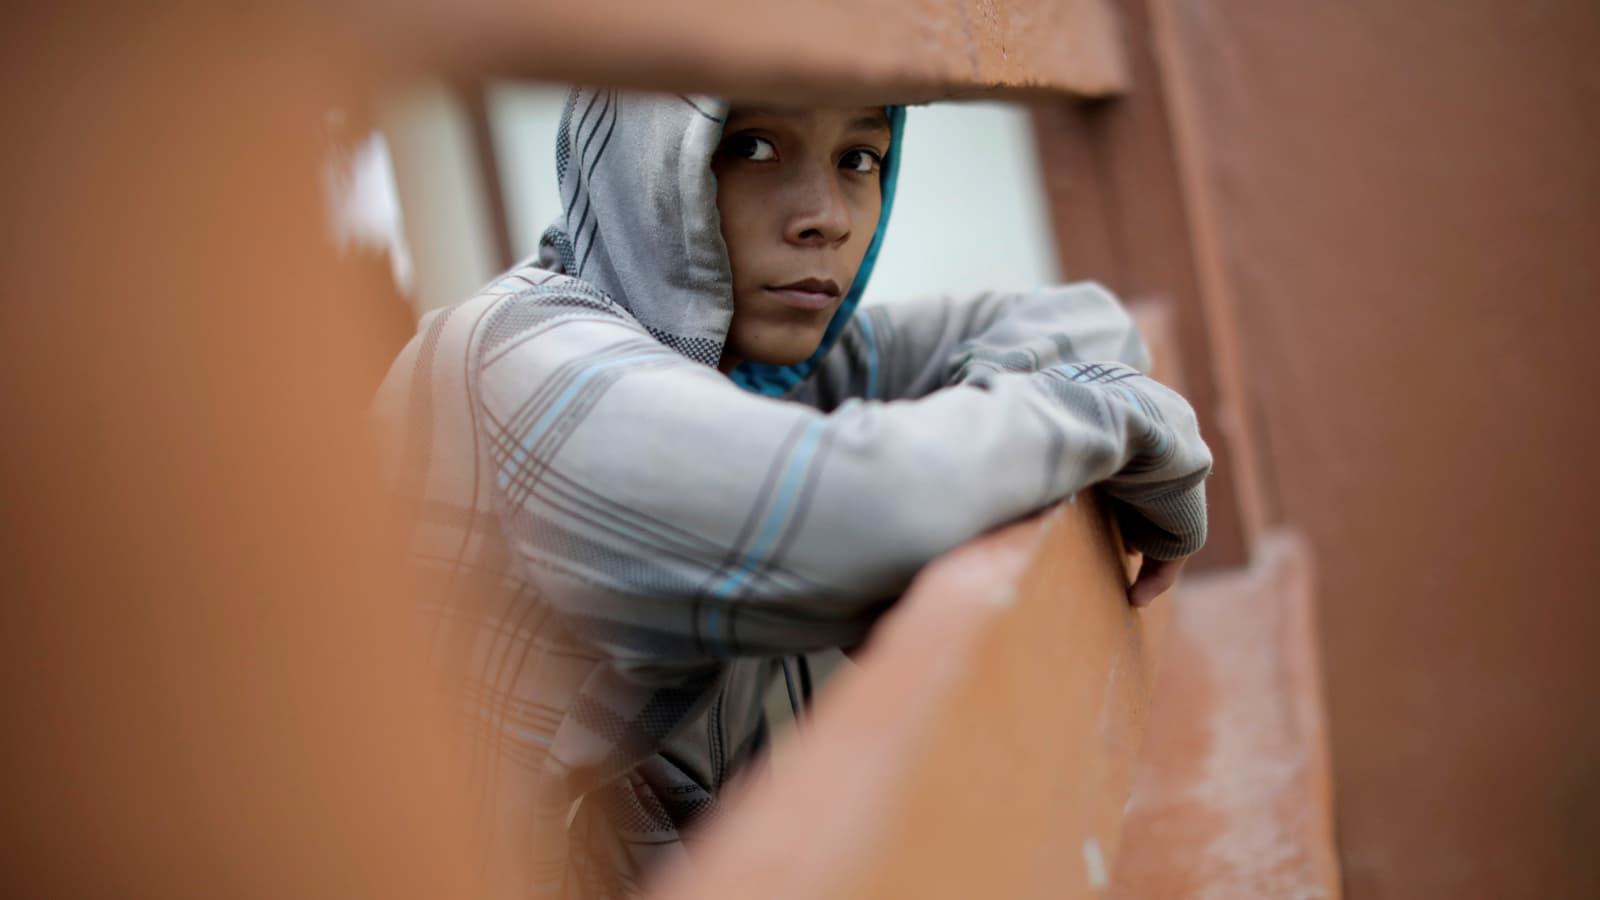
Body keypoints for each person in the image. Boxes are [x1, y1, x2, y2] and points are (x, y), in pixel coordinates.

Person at [371, 88, 1212, 898]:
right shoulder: (510, 358)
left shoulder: (763, 367)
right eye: (752, 146)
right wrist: (1085, 417)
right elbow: (862, 518)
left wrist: (985, 420)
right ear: (642, 161)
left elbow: (1086, 321)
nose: (828, 216)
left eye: (859, 157)